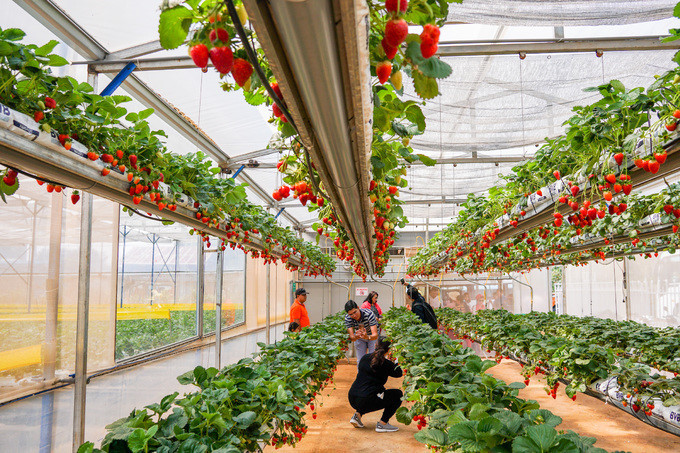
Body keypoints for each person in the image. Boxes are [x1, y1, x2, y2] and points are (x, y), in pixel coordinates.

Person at [348, 339, 403, 432]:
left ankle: (357, 415)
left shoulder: (364, 358)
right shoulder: (386, 364)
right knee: (398, 395)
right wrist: (397, 360)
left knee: (371, 392)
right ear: (389, 351)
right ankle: (383, 424)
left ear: (375, 346)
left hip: (352, 397)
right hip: (367, 400)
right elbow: (399, 373)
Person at [344, 300, 379, 367]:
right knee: (360, 360)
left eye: (355, 312)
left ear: (358, 307)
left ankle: (373, 376)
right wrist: (356, 336)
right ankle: (361, 376)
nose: (354, 315)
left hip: (371, 336)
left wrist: (367, 337)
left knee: (373, 359)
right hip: (359, 337)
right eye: (351, 314)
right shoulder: (348, 318)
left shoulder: (369, 314)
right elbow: (352, 337)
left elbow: (375, 335)